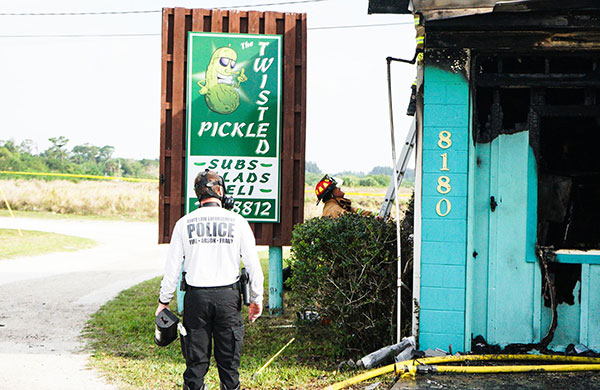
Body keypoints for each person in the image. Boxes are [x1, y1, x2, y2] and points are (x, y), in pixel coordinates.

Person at [156, 169, 264, 390]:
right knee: (229, 364)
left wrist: (163, 302)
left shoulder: (184, 223)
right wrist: (257, 298)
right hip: (228, 298)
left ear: (198, 194)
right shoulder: (238, 221)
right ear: (221, 191)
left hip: (196, 298)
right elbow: (253, 265)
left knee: (195, 363)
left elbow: (172, 268)